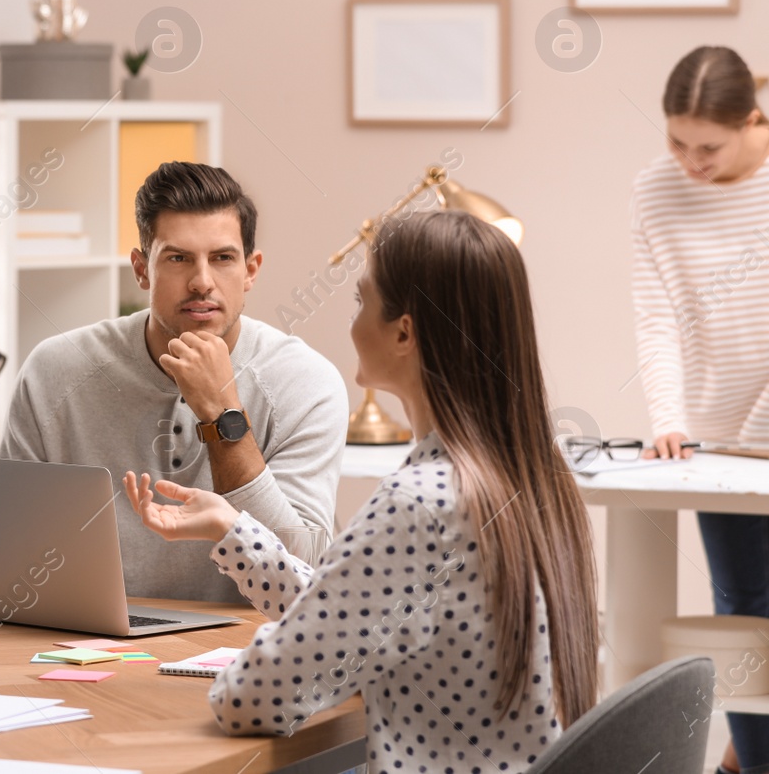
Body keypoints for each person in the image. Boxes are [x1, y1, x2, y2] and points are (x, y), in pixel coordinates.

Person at [124, 209, 599, 773]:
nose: (353, 324)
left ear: (403, 331)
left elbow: (252, 699)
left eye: (360, 302)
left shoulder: (421, 504)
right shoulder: (521, 474)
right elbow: (358, 611)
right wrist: (234, 530)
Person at [0, 161, 348, 604]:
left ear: (251, 271)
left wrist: (222, 415)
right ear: (142, 270)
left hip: (247, 653)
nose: (202, 282)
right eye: (178, 258)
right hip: (89, 644)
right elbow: (10, 556)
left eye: (222, 258)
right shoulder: (55, 370)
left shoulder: (308, 384)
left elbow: (303, 571)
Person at [632, 45, 769, 774]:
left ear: (751, 120)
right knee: (744, 610)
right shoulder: (655, 190)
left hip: (754, 438)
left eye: (708, 146)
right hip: (717, 448)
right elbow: (656, 316)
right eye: (675, 141)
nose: (690, 161)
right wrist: (670, 420)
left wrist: (754, 438)